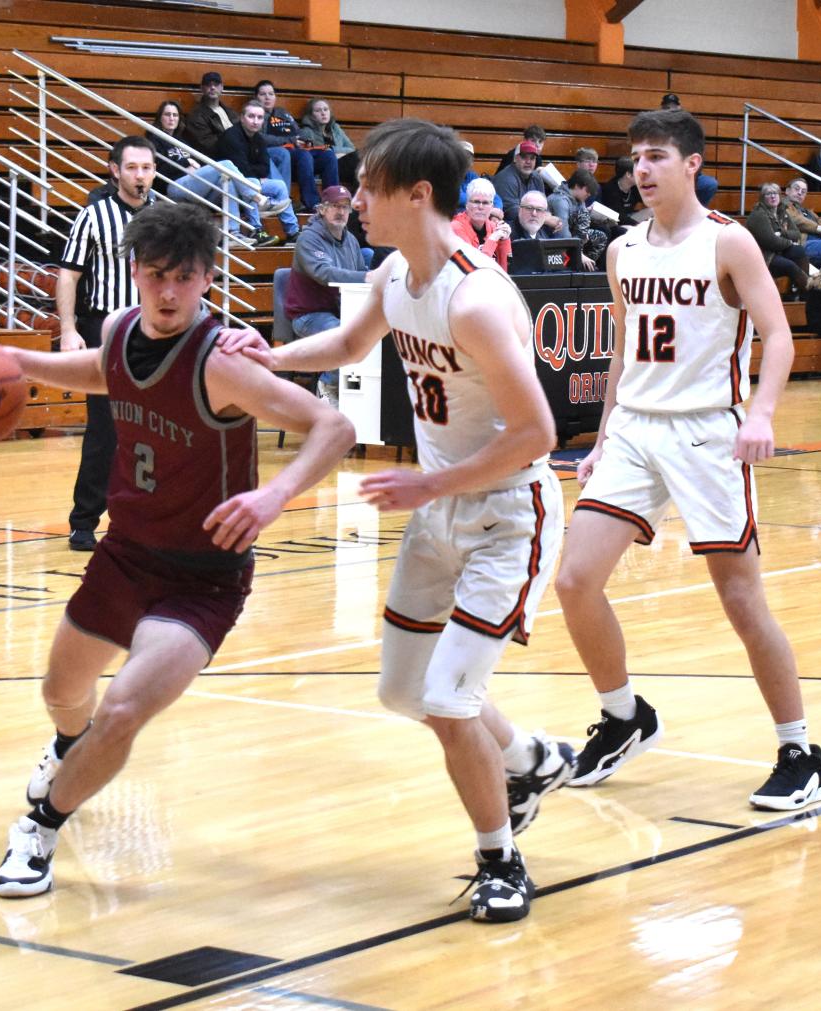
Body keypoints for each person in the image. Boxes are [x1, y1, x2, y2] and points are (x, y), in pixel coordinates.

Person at [222, 118, 573, 924]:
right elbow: (348, 345)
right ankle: (527, 759)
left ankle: (502, 860)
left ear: (418, 195)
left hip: (507, 512)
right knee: (402, 691)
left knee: (449, 698)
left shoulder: (476, 297)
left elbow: (538, 436)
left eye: (371, 184)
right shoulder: (393, 272)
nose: (356, 196)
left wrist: (431, 481)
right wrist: (267, 356)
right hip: (440, 501)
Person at [0, 200, 355, 898]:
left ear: (207, 280)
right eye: (155, 275)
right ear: (133, 272)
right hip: (125, 553)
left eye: (183, 278)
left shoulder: (224, 363)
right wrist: (16, 360)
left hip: (204, 576)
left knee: (123, 707)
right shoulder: (120, 329)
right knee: (63, 694)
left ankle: (39, 826)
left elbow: (332, 427)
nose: (167, 292)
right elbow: (102, 373)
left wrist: (271, 497)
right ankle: (70, 748)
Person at [554, 109, 821, 811]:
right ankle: (624, 718)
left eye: (654, 157)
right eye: (635, 157)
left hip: (708, 432)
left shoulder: (728, 244)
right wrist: (603, 435)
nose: (640, 169)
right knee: (575, 579)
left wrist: (762, 413)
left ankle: (800, 750)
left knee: (740, 599)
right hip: (638, 431)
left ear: (691, 165)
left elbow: (779, 335)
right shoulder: (623, 249)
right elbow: (623, 349)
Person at [57, 135, 157, 552]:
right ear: (115, 170)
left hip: (155, 330)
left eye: (147, 168)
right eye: (132, 167)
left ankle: (146, 517)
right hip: (106, 329)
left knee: (157, 430)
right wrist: (68, 328)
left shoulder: (165, 217)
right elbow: (69, 275)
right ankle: (84, 519)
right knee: (106, 430)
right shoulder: (94, 216)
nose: (140, 175)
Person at [146, 100, 286, 243]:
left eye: (175, 115)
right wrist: (186, 162)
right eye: (167, 115)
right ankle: (259, 198)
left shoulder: (182, 140)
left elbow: (198, 162)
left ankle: (233, 233)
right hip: (174, 186)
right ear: (160, 118)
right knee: (225, 165)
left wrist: (194, 166)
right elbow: (158, 170)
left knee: (227, 179)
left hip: (194, 184)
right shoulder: (154, 140)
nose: (171, 118)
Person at [284, 184, 372, 407]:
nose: (341, 212)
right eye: (335, 206)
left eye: (345, 207)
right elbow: (325, 274)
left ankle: (365, 407)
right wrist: (369, 278)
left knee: (373, 333)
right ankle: (327, 385)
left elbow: (360, 272)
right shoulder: (309, 239)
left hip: (341, 311)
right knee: (343, 336)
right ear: (322, 209)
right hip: (308, 315)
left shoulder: (350, 240)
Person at [216, 100, 301, 246]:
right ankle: (256, 229)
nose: (255, 121)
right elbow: (241, 169)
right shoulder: (231, 137)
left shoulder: (259, 139)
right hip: (224, 187)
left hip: (247, 184)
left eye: (259, 117)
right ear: (242, 117)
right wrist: (254, 174)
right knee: (252, 182)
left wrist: (253, 173)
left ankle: (292, 232)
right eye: (251, 116)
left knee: (279, 185)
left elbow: (265, 168)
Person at [254, 80, 340, 212]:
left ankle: (333, 201)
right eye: (262, 94)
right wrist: (289, 140)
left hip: (297, 153)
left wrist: (304, 140)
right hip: (278, 156)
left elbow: (297, 131)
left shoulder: (282, 113)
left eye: (271, 94)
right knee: (303, 155)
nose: (267, 97)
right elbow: (259, 138)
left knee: (328, 154)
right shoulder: (256, 115)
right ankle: (313, 203)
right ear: (256, 97)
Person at [745, 182, 810, 296]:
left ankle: (800, 292)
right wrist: (789, 242)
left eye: (775, 193)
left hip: (778, 251)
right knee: (789, 265)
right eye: (768, 194)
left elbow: (797, 234)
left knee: (799, 251)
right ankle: (810, 292)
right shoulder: (758, 215)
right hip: (764, 256)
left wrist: (781, 233)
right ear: (762, 198)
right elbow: (771, 242)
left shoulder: (782, 212)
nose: (773, 196)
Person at [547, 169, 608, 270]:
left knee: (601, 237)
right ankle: (578, 265)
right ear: (576, 186)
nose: (589, 195)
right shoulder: (560, 201)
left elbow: (582, 223)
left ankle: (587, 266)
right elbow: (563, 234)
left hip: (574, 234)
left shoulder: (578, 199)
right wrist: (579, 253)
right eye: (587, 191)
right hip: (556, 239)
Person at [451, 177, 512, 272]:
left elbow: (505, 271)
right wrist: (493, 239)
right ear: (467, 204)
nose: (480, 207)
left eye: (485, 203)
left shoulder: (494, 227)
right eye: (476, 202)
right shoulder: (456, 228)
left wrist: (504, 240)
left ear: (492, 207)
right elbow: (474, 269)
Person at [298, 97, 359, 191]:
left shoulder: (335, 128)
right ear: (311, 115)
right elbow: (313, 154)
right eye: (318, 111)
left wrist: (334, 151)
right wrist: (335, 153)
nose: (323, 113)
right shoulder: (306, 132)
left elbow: (351, 149)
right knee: (357, 160)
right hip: (326, 169)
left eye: (325, 109)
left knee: (360, 158)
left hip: (343, 164)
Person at [183, 70, 238, 162]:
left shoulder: (231, 112)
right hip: (217, 161)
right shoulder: (195, 116)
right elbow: (209, 145)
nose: (212, 87)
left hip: (236, 154)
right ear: (202, 88)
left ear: (221, 87)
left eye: (216, 84)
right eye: (208, 84)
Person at [783, 177, 821, 266]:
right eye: (796, 189)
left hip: (820, 244)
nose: (799, 193)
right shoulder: (781, 206)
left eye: (803, 191)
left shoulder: (809, 212)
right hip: (802, 246)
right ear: (787, 191)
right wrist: (820, 229)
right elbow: (796, 220)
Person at [599, 156, 644, 226]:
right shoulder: (610, 189)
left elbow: (650, 201)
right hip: (615, 222)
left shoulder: (636, 186)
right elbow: (618, 216)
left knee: (653, 210)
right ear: (628, 174)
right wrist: (638, 225)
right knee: (630, 230)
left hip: (630, 217)